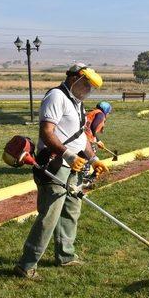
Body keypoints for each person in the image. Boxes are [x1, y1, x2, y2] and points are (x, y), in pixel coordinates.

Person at [14, 63, 109, 280]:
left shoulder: (77, 103)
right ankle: (26, 264)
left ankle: (65, 255)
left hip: (74, 166)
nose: (88, 89)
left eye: (91, 87)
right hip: (55, 165)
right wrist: (68, 155)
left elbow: (81, 135)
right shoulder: (56, 97)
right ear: (73, 78)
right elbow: (47, 132)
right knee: (49, 216)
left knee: (71, 211)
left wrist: (93, 159)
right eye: (85, 83)